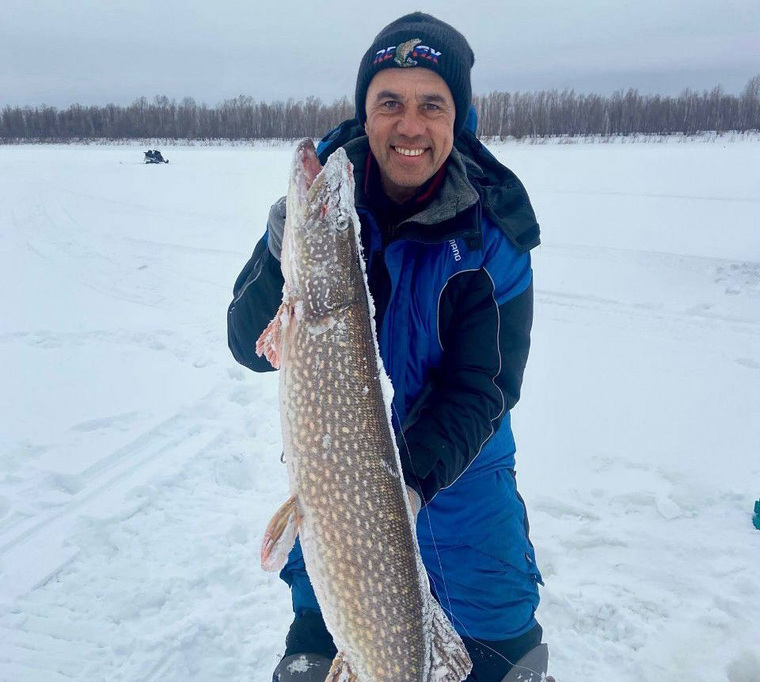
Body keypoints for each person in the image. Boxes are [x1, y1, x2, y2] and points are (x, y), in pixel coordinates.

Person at [228, 12, 549, 682]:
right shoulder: (329, 211)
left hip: (461, 474)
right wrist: (285, 242)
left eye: (431, 104)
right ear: (366, 114)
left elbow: (482, 386)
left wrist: (403, 488)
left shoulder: (495, 233)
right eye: (389, 102)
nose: (409, 124)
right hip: (338, 497)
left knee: (504, 660)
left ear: (457, 117)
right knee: (329, 649)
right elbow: (247, 342)